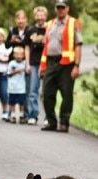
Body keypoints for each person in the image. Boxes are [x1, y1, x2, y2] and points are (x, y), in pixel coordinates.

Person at [39, 0, 82, 133]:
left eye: (62, 7)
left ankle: (64, 122)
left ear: (67, 8)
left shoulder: (73, 23)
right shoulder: (50, 24)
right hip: (51, 62)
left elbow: (78, 45)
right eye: (58, 7)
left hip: (67, 64)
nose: (60, 10)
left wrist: (76, 65)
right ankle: (51, 121)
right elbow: (46, 46)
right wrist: (43, 65)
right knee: (46, 93)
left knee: (66, 94)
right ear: (55, 9)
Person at [24, 6, 47, 125]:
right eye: (37, 15)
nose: (40, 17)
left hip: (46, 64)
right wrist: (27, 63)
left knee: (46, 91)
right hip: (33, 63)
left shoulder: (49, 29)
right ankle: (33, 115)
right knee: (33, 91)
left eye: (42, 15)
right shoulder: (30, 30)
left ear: (45, 16)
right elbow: (27, 47)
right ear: (35, 16)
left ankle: (48, 116)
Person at [5, 10, 30, 120]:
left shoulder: (29, 30)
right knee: (13, 89)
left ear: (26, 20)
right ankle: (11, 114)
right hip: (14, 60)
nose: (20, 21)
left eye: (22, 18)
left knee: (25, 90)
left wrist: (22, 41)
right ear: (16, 20)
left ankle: (24, 113)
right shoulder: (12, 30)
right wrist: (12, 40)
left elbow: (29, 44)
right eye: (18, 19)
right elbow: (6, 45)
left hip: (25, 60)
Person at [7, 46, 26, 124]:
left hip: (21, 88)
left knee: (21, 103)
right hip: (12, 87)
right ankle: (13, 115)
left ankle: (21, 116)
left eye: (20, 54)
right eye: (16, 54)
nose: (18, 56)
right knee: (12, 103)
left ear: (23, 55)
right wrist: (16, 71)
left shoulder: (25, 63)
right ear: (14, 55)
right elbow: (8, 73)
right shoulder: (11, 63)